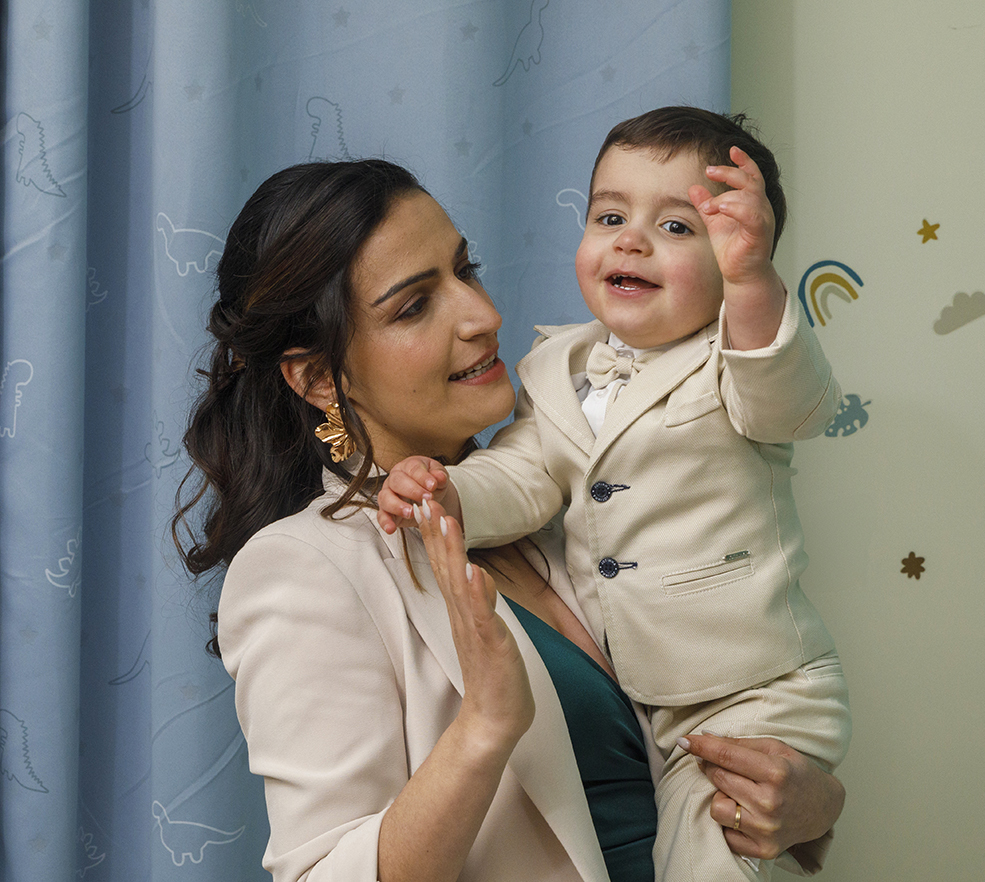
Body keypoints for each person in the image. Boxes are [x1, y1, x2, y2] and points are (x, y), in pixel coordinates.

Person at [172, 158, 846, 882]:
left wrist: (808, 810)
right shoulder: (304, 566)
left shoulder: (563, 505)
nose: (483, 316)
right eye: (414, 306)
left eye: (467, 270)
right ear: (314, 377)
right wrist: (483, 729)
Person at [379, 107, 851, 881]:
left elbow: (791, 400)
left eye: (677, 228)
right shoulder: (556, 367)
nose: (631, 240)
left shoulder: (734, 360)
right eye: (610, 215)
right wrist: (448, 492)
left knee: (702, 858)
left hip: (755, 688)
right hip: (648, 703)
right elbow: (523, 477)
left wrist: (755, 284)